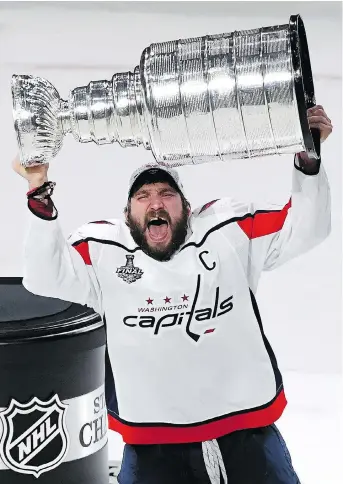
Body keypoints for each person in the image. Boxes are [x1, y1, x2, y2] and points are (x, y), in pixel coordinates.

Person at [13, 105, 332, 484]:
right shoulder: (102, 250)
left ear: (187, 208)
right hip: (154, 447)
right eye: (143, 196)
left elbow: (306, 228)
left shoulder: (227, 231)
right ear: (127, 214)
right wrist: (37, 188)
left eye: (167, 193)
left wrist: (308, 158)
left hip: (247, 434)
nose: (156, 203)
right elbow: (45, 276)